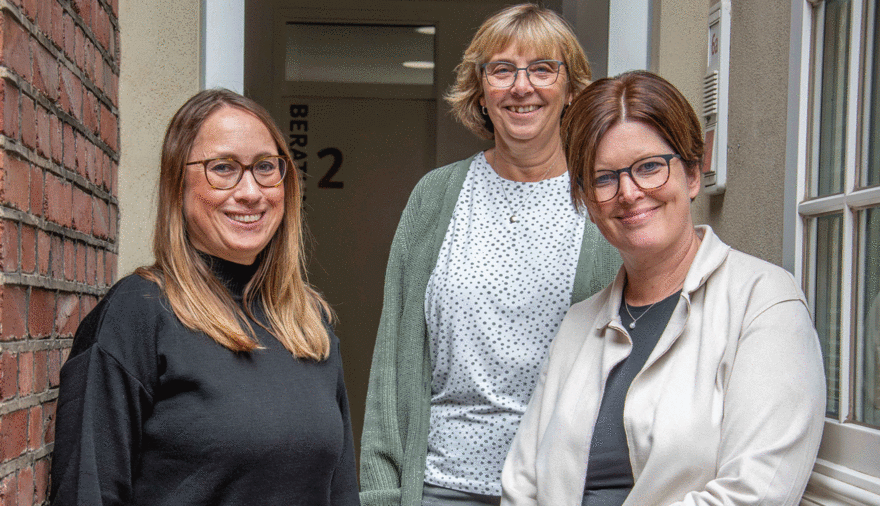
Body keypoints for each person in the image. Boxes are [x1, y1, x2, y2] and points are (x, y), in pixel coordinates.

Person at [500, 70, 826, 505]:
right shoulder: (578, 324)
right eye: (603, 178)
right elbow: (521, 485)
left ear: (691, 175)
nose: (629, 192)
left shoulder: (763, 302)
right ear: (588, 203)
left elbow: (755, 494)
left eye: (649, 167)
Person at [359, 4, 620, 506]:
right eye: (502, 70)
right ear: (480, 90)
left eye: (542, 69)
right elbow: (393, 360)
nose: (522, 87)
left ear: (570, 88)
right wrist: (380, 492)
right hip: (439, 488)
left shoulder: (604, 198)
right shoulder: (435, 197)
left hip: (561, 490)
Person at [50, 89, 360, 505]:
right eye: (223, 168)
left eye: (265, 167)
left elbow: (341, 493)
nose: (250, 191)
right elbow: (88, 492)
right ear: (177, 182)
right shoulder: (139, 314)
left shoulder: (308, 322)